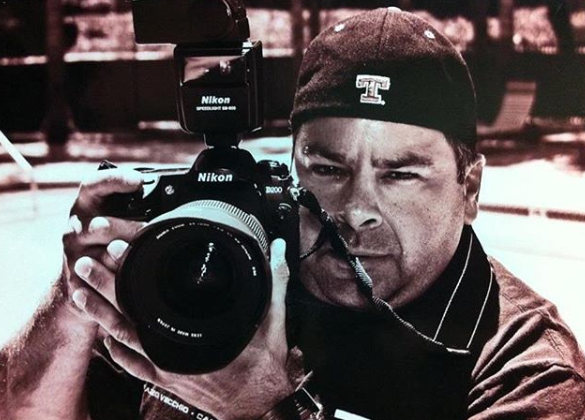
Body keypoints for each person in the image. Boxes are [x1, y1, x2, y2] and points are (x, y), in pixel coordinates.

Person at [1, 7, 585, 420]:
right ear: (291, 170)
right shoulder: (208, 273)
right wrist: (74, 298)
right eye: (327, 169)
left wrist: (260, 408)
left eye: (401, 174)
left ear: (470, 188)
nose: (356, 210)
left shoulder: (523, 364)